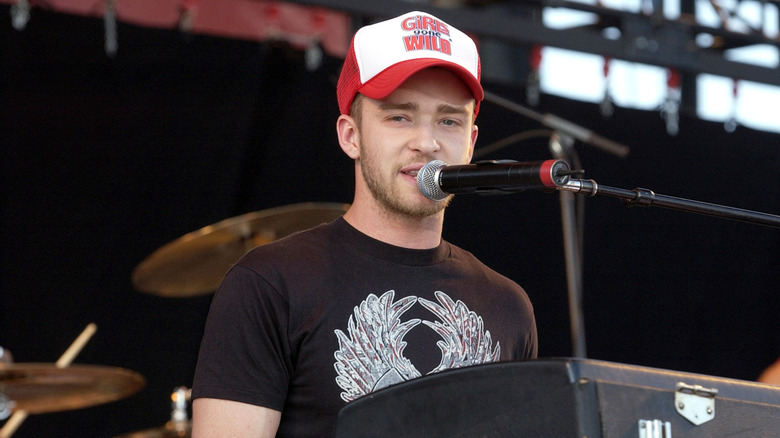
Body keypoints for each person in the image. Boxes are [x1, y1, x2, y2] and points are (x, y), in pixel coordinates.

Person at [190, 10, 538, 437]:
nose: (427, 142)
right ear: (350, 135)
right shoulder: (269, 284)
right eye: (399, 116)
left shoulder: (508, 305)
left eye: (449, 120)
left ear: (471, 142)